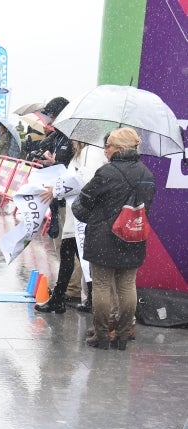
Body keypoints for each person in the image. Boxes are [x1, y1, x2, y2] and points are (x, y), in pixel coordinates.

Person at [72, 127, 155, 350]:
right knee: (127, 286)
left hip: (103, 238)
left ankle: (101, 334)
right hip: (133, 236)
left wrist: (90, 216)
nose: (105, 150)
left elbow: (83, 202)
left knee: (101, 286)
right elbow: (147, 207)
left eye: (107, 146)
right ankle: (123, 333)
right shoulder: (147, 174)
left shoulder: (106, 173)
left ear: (119, 149)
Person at [35, 140, 107, 314]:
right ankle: (65, 298)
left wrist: (57, 189)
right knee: (71, 254)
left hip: (84, 213)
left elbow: (85, 180)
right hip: (75, 210)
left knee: (80, 255)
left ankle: (71, 298)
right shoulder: (81, 153)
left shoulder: (92, 152)